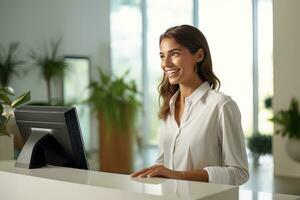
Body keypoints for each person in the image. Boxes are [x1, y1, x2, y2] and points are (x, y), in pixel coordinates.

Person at [131, 25, 249, 185]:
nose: (165, 63)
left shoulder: (222, 105)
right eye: (162, 56)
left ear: (199, 55)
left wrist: (181, 175)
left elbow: (239, 173)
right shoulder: (169, 107)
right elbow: (164, 164)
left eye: (175, 54)